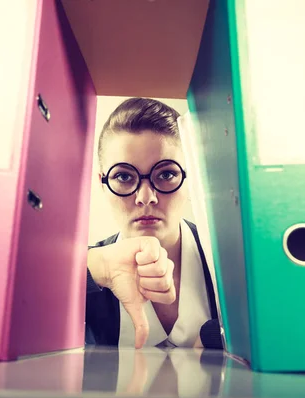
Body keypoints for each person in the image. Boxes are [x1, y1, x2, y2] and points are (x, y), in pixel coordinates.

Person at [85, 97, 222, 349]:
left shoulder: (229, 262)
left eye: (166, 174)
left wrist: (221, 335)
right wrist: (92, 266)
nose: (145, 197)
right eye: (124, 176)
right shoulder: (88, 275)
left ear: (190, 177)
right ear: (103, 184)